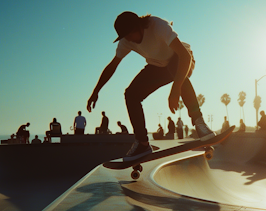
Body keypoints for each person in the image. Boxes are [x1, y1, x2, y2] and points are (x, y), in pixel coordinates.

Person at [86, 11, 214, 161]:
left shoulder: (158, 26)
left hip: (181, 59)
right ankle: (142, 143)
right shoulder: (126, 40)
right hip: (158, 67)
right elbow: (112, 66)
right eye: (125, 36)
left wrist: (176, 88)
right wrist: (96, 91)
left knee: (175, 70)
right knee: (131, 94)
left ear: (139, 26)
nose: (129, 40)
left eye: (130, 35)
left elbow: (184, 56)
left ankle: (199, 123)